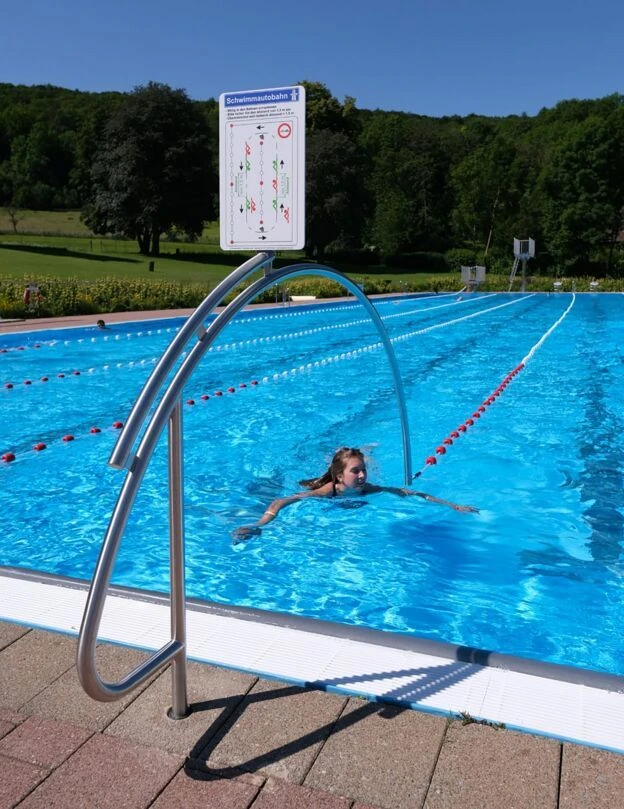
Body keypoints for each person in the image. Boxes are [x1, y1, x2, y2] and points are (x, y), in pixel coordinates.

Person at [232, 446, 478, 540]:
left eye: (363, 470)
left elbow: (410, 493)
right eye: (356, 471)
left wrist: (453, 506)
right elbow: (279, 501)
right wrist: (258, 524)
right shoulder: (327, 492)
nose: (362, 476)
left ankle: (363, 451)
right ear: (340, 477)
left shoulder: (367, 489)